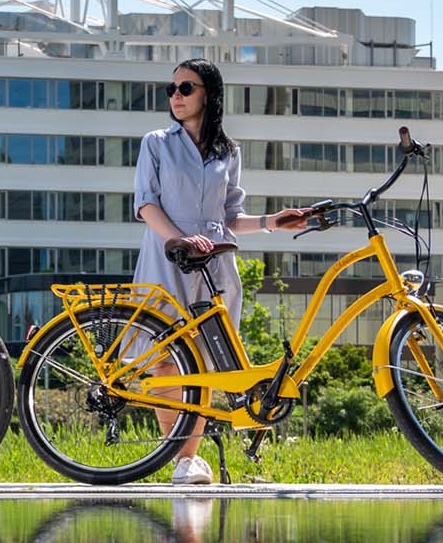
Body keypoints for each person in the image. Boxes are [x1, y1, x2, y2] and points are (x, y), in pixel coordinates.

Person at [131, 59, 313, 484]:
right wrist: (178, 238)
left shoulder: (227, 152)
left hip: (213, 263)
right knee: (165, 362)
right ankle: (180, 460)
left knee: (205, 363)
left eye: (186, 87)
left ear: (208, 95)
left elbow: (230, 216)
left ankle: (188, 460)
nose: (175, 95)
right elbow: (145, 204)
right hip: (167, 257)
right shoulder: (156, 142)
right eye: (171, 88)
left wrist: (272, 222)